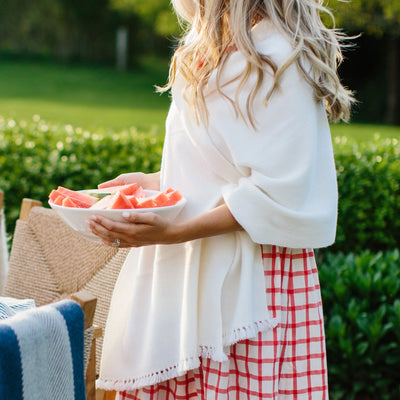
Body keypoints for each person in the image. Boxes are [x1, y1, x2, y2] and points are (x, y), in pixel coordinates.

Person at [91, 0, 354, 398]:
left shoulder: (280, 58)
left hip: (253, 281)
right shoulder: (212, 49)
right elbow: (219, 167)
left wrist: (177, 230)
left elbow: (276, 191)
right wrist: (153, 183)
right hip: (189, 267)